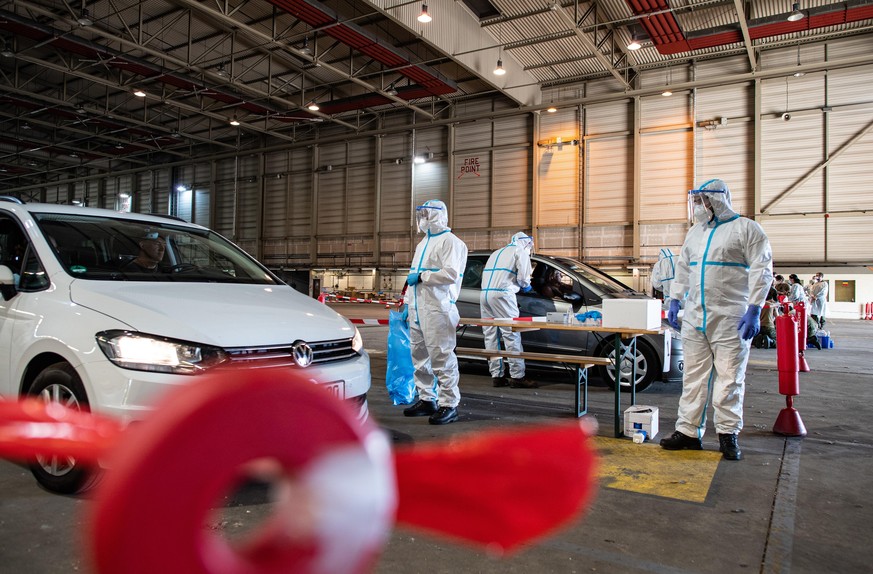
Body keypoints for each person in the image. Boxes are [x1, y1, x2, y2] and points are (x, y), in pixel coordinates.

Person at [661, 178, 773, 461]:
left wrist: (755, 308)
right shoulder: (695, 233)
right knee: (693, 378)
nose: (698, 206)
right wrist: (675, 298)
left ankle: (727, 434)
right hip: (696, 316)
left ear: (718, 199)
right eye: (696, 201)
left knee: (729, 379)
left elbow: (762, 269)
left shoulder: (747, 229)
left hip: (731, 318)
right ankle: (687, 432)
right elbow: (684, 267)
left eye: (702, 200)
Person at [402, 199, 469, 425]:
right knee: (419, 356)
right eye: (421, 214)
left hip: (438, 309)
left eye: (426, 214)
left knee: (442, 357)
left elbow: (451, 274)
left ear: (438, 215)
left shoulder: (452, 242)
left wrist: (423, 277)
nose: (422, 219)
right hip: (418, 309)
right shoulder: (422, 244)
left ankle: (449, 404)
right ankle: (426, 399)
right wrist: (406, 303)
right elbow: (411, 277)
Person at [479, 232, 537, 389]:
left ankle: (497, 376)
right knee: (511, 334)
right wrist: (528, 287)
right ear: (527, 244)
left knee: (490, 335)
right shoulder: (520, 251)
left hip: (484, 295)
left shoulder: (497, 252)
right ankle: (518, 376)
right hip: (502, 295)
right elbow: (525, 279)